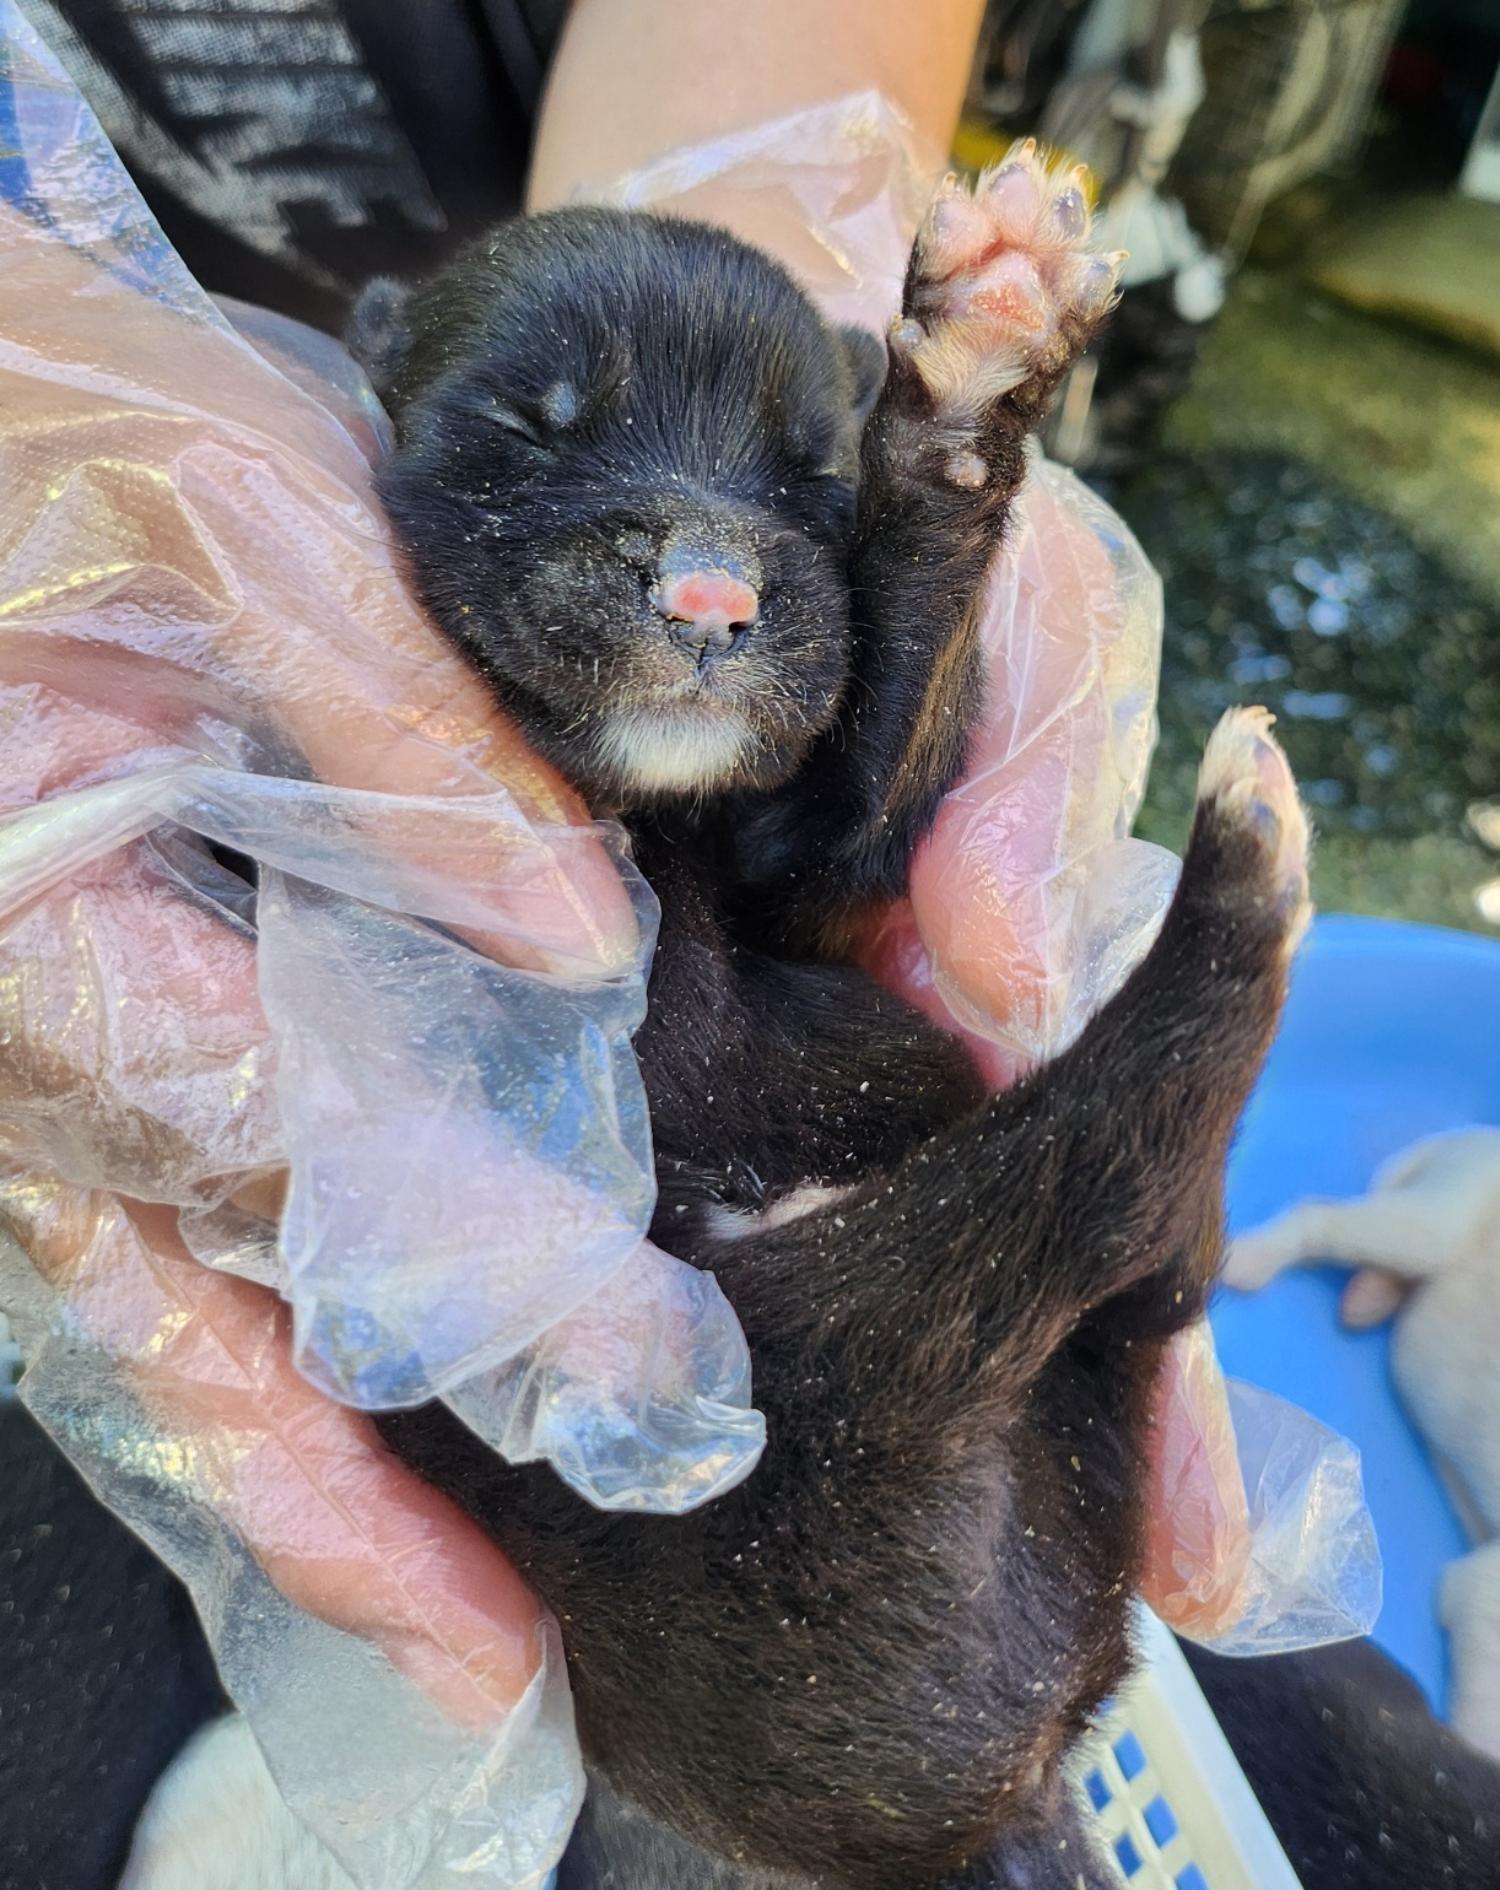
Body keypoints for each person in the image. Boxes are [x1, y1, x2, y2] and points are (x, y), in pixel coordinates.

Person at [0, 3, 1250, 1881]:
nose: (710, 579)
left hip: (851, 1524)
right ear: (381, 406)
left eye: (790, 500)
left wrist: (907, 431)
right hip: (135, 591)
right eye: (531, 443)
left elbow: (836, 834)